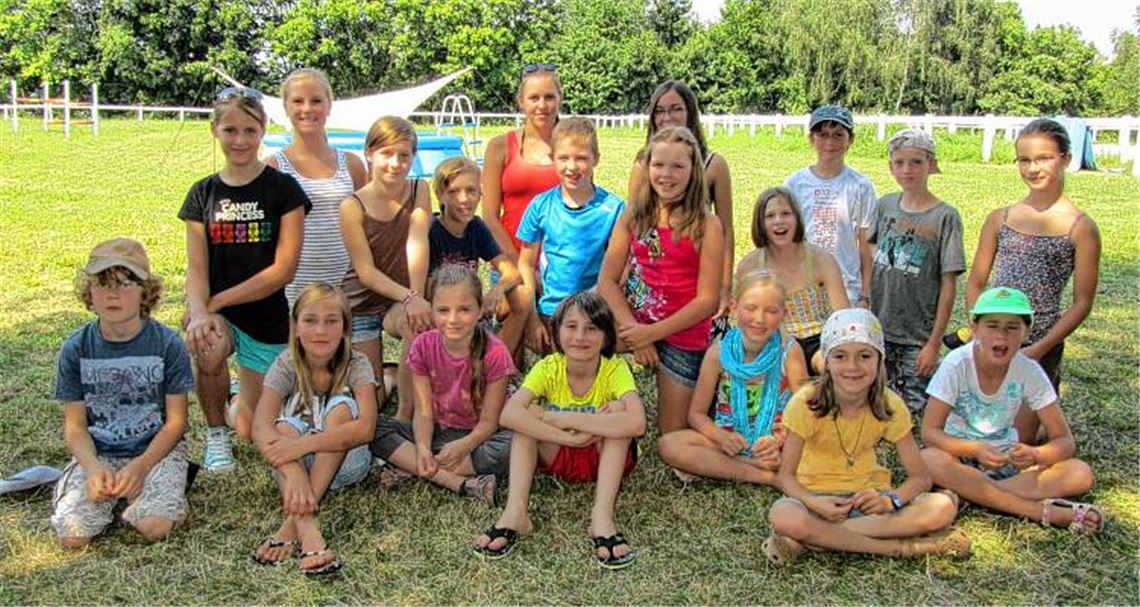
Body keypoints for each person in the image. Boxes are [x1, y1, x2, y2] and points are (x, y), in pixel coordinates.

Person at [765, 308, 969, 566]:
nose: (852, 367)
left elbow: (920, 478)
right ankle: (905, 548)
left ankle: (812, 539)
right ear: (826, 361)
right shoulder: (805, 402)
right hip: (814, 499)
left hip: (869, 501)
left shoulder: (890, 405)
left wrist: (890, 500)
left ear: (879, 361)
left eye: (864, 356)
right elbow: (786, 477)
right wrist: (813, 504)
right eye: (840, 356)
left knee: (942, 508)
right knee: (783, 515)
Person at [179, 87, 309, 473]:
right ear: (214, 130)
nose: (240, 140)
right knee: (208, 345)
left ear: (263, 130)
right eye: (230, 130)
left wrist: (216, 302)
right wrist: (200, 311)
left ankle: (235, 401)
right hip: (220, 315)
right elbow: (197, 268)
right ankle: (216, 434)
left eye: (249, 130)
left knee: (253, 428)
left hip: (266, 315)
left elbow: (282, 270)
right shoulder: (202, 193)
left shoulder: (283, 189)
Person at [472, 292, 646, 570]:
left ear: (606, 337)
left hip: (604, 456)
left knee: (619, 417)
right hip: (557, 454)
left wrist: (560, 417)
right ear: (557, 332)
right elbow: (509, 414)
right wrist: (565, 436)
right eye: (572, 326)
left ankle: (601, 517)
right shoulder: (548, 367)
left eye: (592, 328)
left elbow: (637, 423)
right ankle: (516, 511)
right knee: (525, 420)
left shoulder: (615, 368)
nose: (581, 336)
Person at [920, 287, 1103, 534]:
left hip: (1006, 462)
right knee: (929, 459)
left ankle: (970, 495)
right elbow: (929, 433)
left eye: (1012, 327)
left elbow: (1065, 441)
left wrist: (1037, 455)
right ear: (975, 329)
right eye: (992, 326)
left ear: (1026, 332)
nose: (1002, 336)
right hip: (959, 457)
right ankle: (1042, 512)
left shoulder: (1029, 370)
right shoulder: (956, 365)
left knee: (1080, 473)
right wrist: (973, 448)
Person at [52, 238, 194, 547]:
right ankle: (87, 487)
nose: (112, 294)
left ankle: (162, 493)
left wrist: (142, 466)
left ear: (147, 291)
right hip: (100, 451)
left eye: (125, 283)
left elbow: (176, 422)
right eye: (102, 284)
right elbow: (75, 426)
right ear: (88, 291)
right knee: (73, 536)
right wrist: (91, 466)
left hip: (156, 451)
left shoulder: (168, 344)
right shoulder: (75, 348)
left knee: (155, 526)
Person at [965, 118, 1100, 440]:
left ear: (1065, 159)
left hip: (1038, 343)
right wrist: (979, 330)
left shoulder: (1080, 227)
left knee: (1015, 445)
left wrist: (1039, 348)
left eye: (1043, 158)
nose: (1032, 168)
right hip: (992, 339)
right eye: (1024, 159)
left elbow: (1082, 302)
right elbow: (976, 282)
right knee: (976, 433)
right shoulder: (1001, 218)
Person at [598, 126, 723, 434]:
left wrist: (651, 334)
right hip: (634, 322)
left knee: (672, 435)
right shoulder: (633, 216)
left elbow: (707, 301)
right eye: (658, 165)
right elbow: (607, 281)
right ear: (647, 167)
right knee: (579, 332)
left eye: (678, 166)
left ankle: (708, 395)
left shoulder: (708, 224)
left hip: (683, 333)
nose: (666, 174)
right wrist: (634, 332)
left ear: (693, 171)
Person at [250, 283, 378, 576]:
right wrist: (294, 469)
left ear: (346, 329)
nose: (321, 330)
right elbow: (260, 426)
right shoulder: (286, 363)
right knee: (282, 426)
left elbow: (367, 428)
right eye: (310, 320)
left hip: (346, 465)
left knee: (342, 411)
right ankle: (308, 530)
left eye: (331, 321)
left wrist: (301, 447)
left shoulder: (357, 364)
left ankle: (291, 525)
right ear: (295, 326)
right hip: (292, 469)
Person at [370, 264, 515, 502]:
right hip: (438, 432)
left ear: (480, 311)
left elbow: (490, 422)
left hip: (479, 437)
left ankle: (414, 466)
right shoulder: (423, 346)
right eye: (443, 310)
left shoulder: (495, 352)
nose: (453, 319)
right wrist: (424, 447)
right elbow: (424, 412)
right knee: (373, 428)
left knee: (516, 444)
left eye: (464, 309)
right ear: (432, 311)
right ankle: (456, 480)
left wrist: (463, 446)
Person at [657, 270, 808, 484]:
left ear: (784, 314)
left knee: (816, 448)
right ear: (734, 307)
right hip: (731, 440)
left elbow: (805, 411)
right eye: (751, 308)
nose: (759, 319)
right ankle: (763, 474)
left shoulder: (789, 351)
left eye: (771, 311)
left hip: (777, 442)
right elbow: (696, 415)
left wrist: (780, 439)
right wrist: (722, 438)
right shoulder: (719, 353)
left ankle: (733, 466)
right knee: (669, 445)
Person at [339, 116, 432, 421]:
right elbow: (365, 272)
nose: (396, 163)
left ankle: (404, 415)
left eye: (404, 155)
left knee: (414, 324)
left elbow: (417, 243)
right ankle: (389, 377)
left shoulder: (419, 188)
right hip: (360, 305)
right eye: (386, 154)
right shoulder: (353, 205)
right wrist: (410, 297)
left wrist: (414, 297)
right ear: (369, 152)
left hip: (399, 299)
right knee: (372, 403)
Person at [868, 129, 965, 412]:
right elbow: (870, 255)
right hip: (880, 326)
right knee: (876, 401)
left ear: (931, 165)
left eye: (916, 162)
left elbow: (949, 284)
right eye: (899, 162)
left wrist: (934, 343)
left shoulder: (945, 216)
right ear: (890, 166)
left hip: (918, 334)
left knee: (914, 405)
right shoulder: (885, 204)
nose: (907, 170)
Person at [628, 80, 735, 331]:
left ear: (690, 113)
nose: (667, 117)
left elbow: (727, 231)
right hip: (653, 275)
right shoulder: (643, 164)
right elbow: (633, 225)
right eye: (660, 111)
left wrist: (725, 285)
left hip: (697, 272)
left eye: (675, 109)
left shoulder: (714, 164)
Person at [516, 117, 625, 354]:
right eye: (563, 158)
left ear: (596, 158)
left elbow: (624, 267)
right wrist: (532, 317)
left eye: (581, 158)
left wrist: (589, 302)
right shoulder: (540, 206)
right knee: (558, 382)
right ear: (552, 158)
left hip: (596, 311)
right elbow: (525, 263)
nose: (572, 167)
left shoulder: (615, 209)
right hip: (551, 312)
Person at [266, 68, 368, 307]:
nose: (307, 109)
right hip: (292, 291)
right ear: (286, 107)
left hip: (345, 289)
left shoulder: (352, 164)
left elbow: (368, 226)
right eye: (298, 101)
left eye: (316, 101)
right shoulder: (272, 167)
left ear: (329, 106)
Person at [736, 186, 849, 375]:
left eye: (786, 214)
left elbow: (843, 314)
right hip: (772, 340)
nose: (779, 221)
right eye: (770, 216)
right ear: (760, 223)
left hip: (817, 340)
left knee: (832, 366)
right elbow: (739, 317)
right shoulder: (750, 265)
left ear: (797, 218)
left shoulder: (821, 259)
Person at [428, 157, 534, 354]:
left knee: (522, 296)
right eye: (454, 192)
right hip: (443, 314)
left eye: (471, 190)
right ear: (439, 195)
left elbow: (511, 272)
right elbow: (428, 292)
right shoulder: (432, 231)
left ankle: (497, 365)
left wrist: (496, 290)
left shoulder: (476, 227)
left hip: (471, 310)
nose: (464, 199)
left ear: (480, 194)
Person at [784, 105, 877, 306]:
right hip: (803, 286)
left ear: (850, 140)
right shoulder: (795, 184)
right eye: (823, 134)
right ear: (811, 139)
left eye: (838, 135)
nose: (830, 142)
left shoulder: (860, 186)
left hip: (847, 288)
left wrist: (865, 294)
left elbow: (866, 245)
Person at [481, 63, 561, 263]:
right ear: (521, 101)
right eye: (534, 98)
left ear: (561, 98)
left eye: (549, 97)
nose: (542, 106)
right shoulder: (499, 147)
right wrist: (519, 265)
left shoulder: (574, 148)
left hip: (561, 269)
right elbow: (490, 216)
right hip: (512, 263)